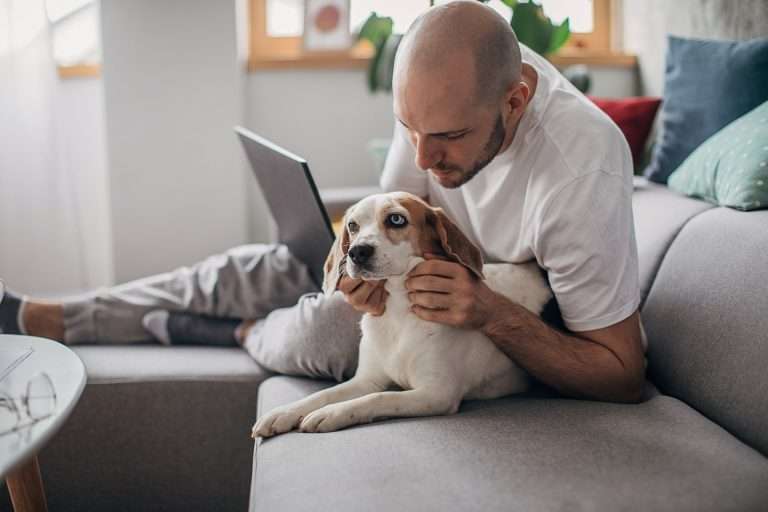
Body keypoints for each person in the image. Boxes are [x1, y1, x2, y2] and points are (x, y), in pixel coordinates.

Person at [0, 1, 645, 402]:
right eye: (409, 130)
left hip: (460, 316)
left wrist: (490, 311)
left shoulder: (579, 171)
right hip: (399, 274)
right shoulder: (444, 80)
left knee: (327, 324)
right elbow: (402, 198)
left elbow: (622, 373)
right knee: (252, 267)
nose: (422, 159)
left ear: (516, 101)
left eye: (447, 138)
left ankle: (245, 332)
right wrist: (349, 265)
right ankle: (46, 314)